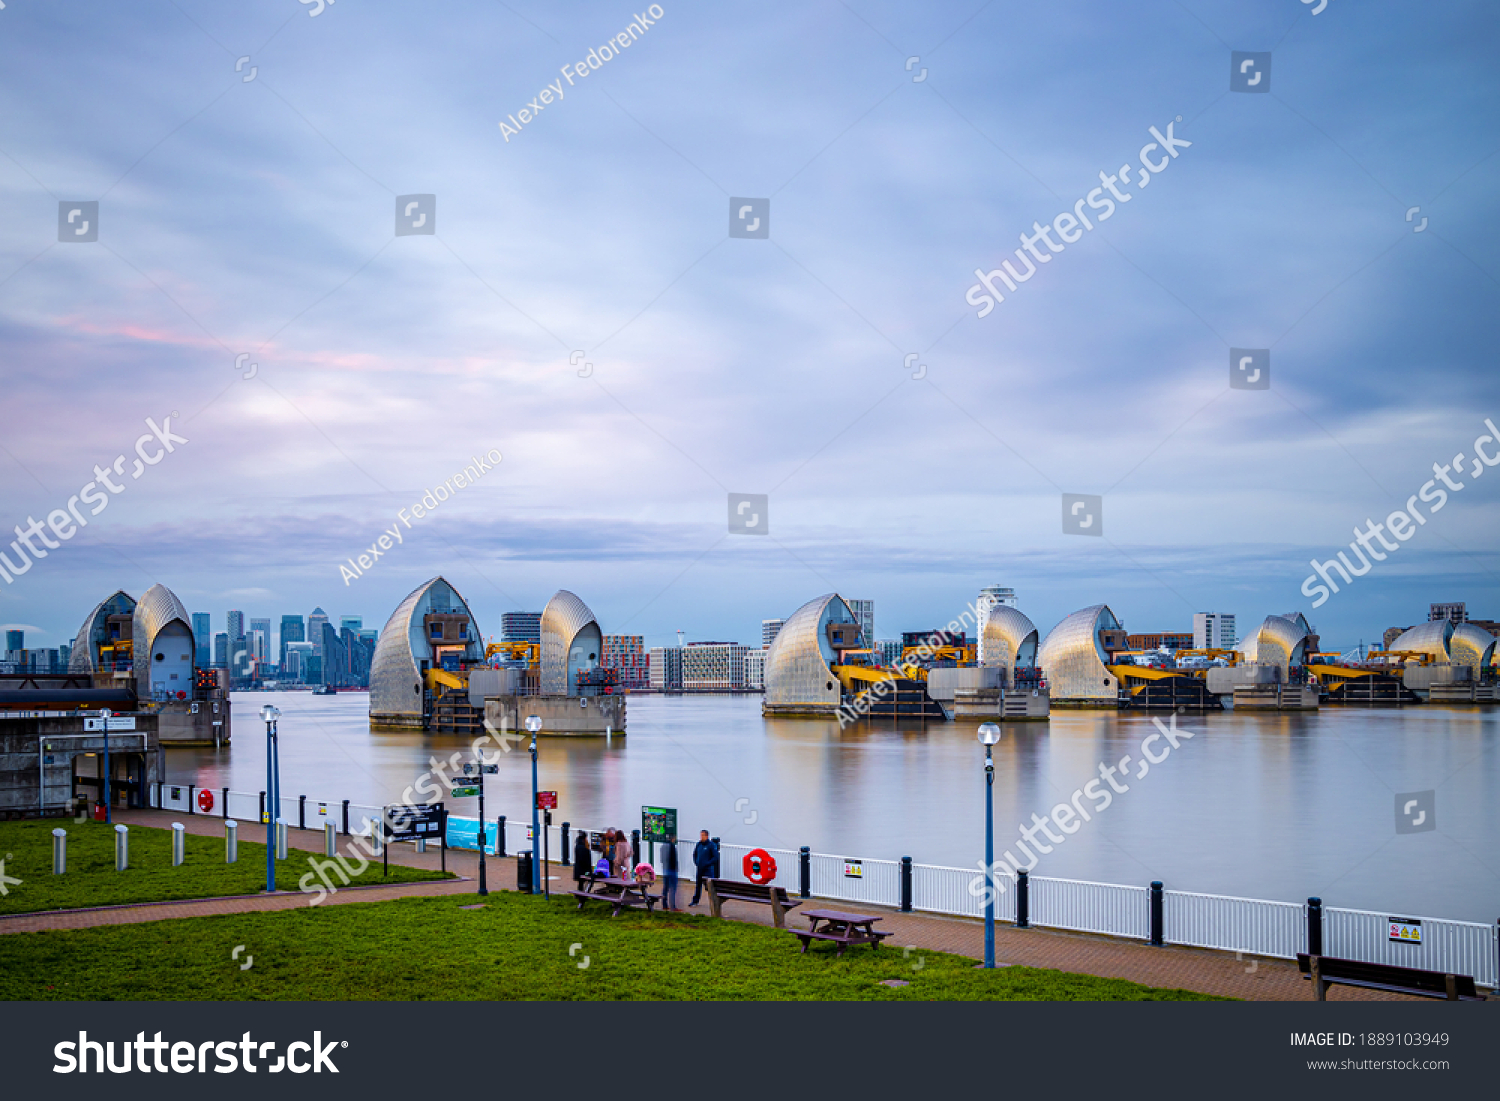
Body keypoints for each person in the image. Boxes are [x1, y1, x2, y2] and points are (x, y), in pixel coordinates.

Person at [690, 830, 717, 906]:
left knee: (709, 887)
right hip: (699, 869)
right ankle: (695, 901)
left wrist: (707, 863)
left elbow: (715, 857)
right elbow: (695, 854)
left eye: (703, 835)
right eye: (700, 835)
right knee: (698, 885)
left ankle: (714, 901)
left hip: (708, 870)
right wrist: (696, 862)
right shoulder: (699, 844)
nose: (701, 837)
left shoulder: (711, 845)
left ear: (707, 836)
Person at [660, 834, 680, 911]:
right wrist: (675, 868)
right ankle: (673, 906)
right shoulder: (672, 847)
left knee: (665, 888)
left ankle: (664, 904)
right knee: (673, 888)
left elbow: (662, 860)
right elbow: (673, 859)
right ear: (673, 838)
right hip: (671, 870)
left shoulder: (663, 846)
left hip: (664, 870)